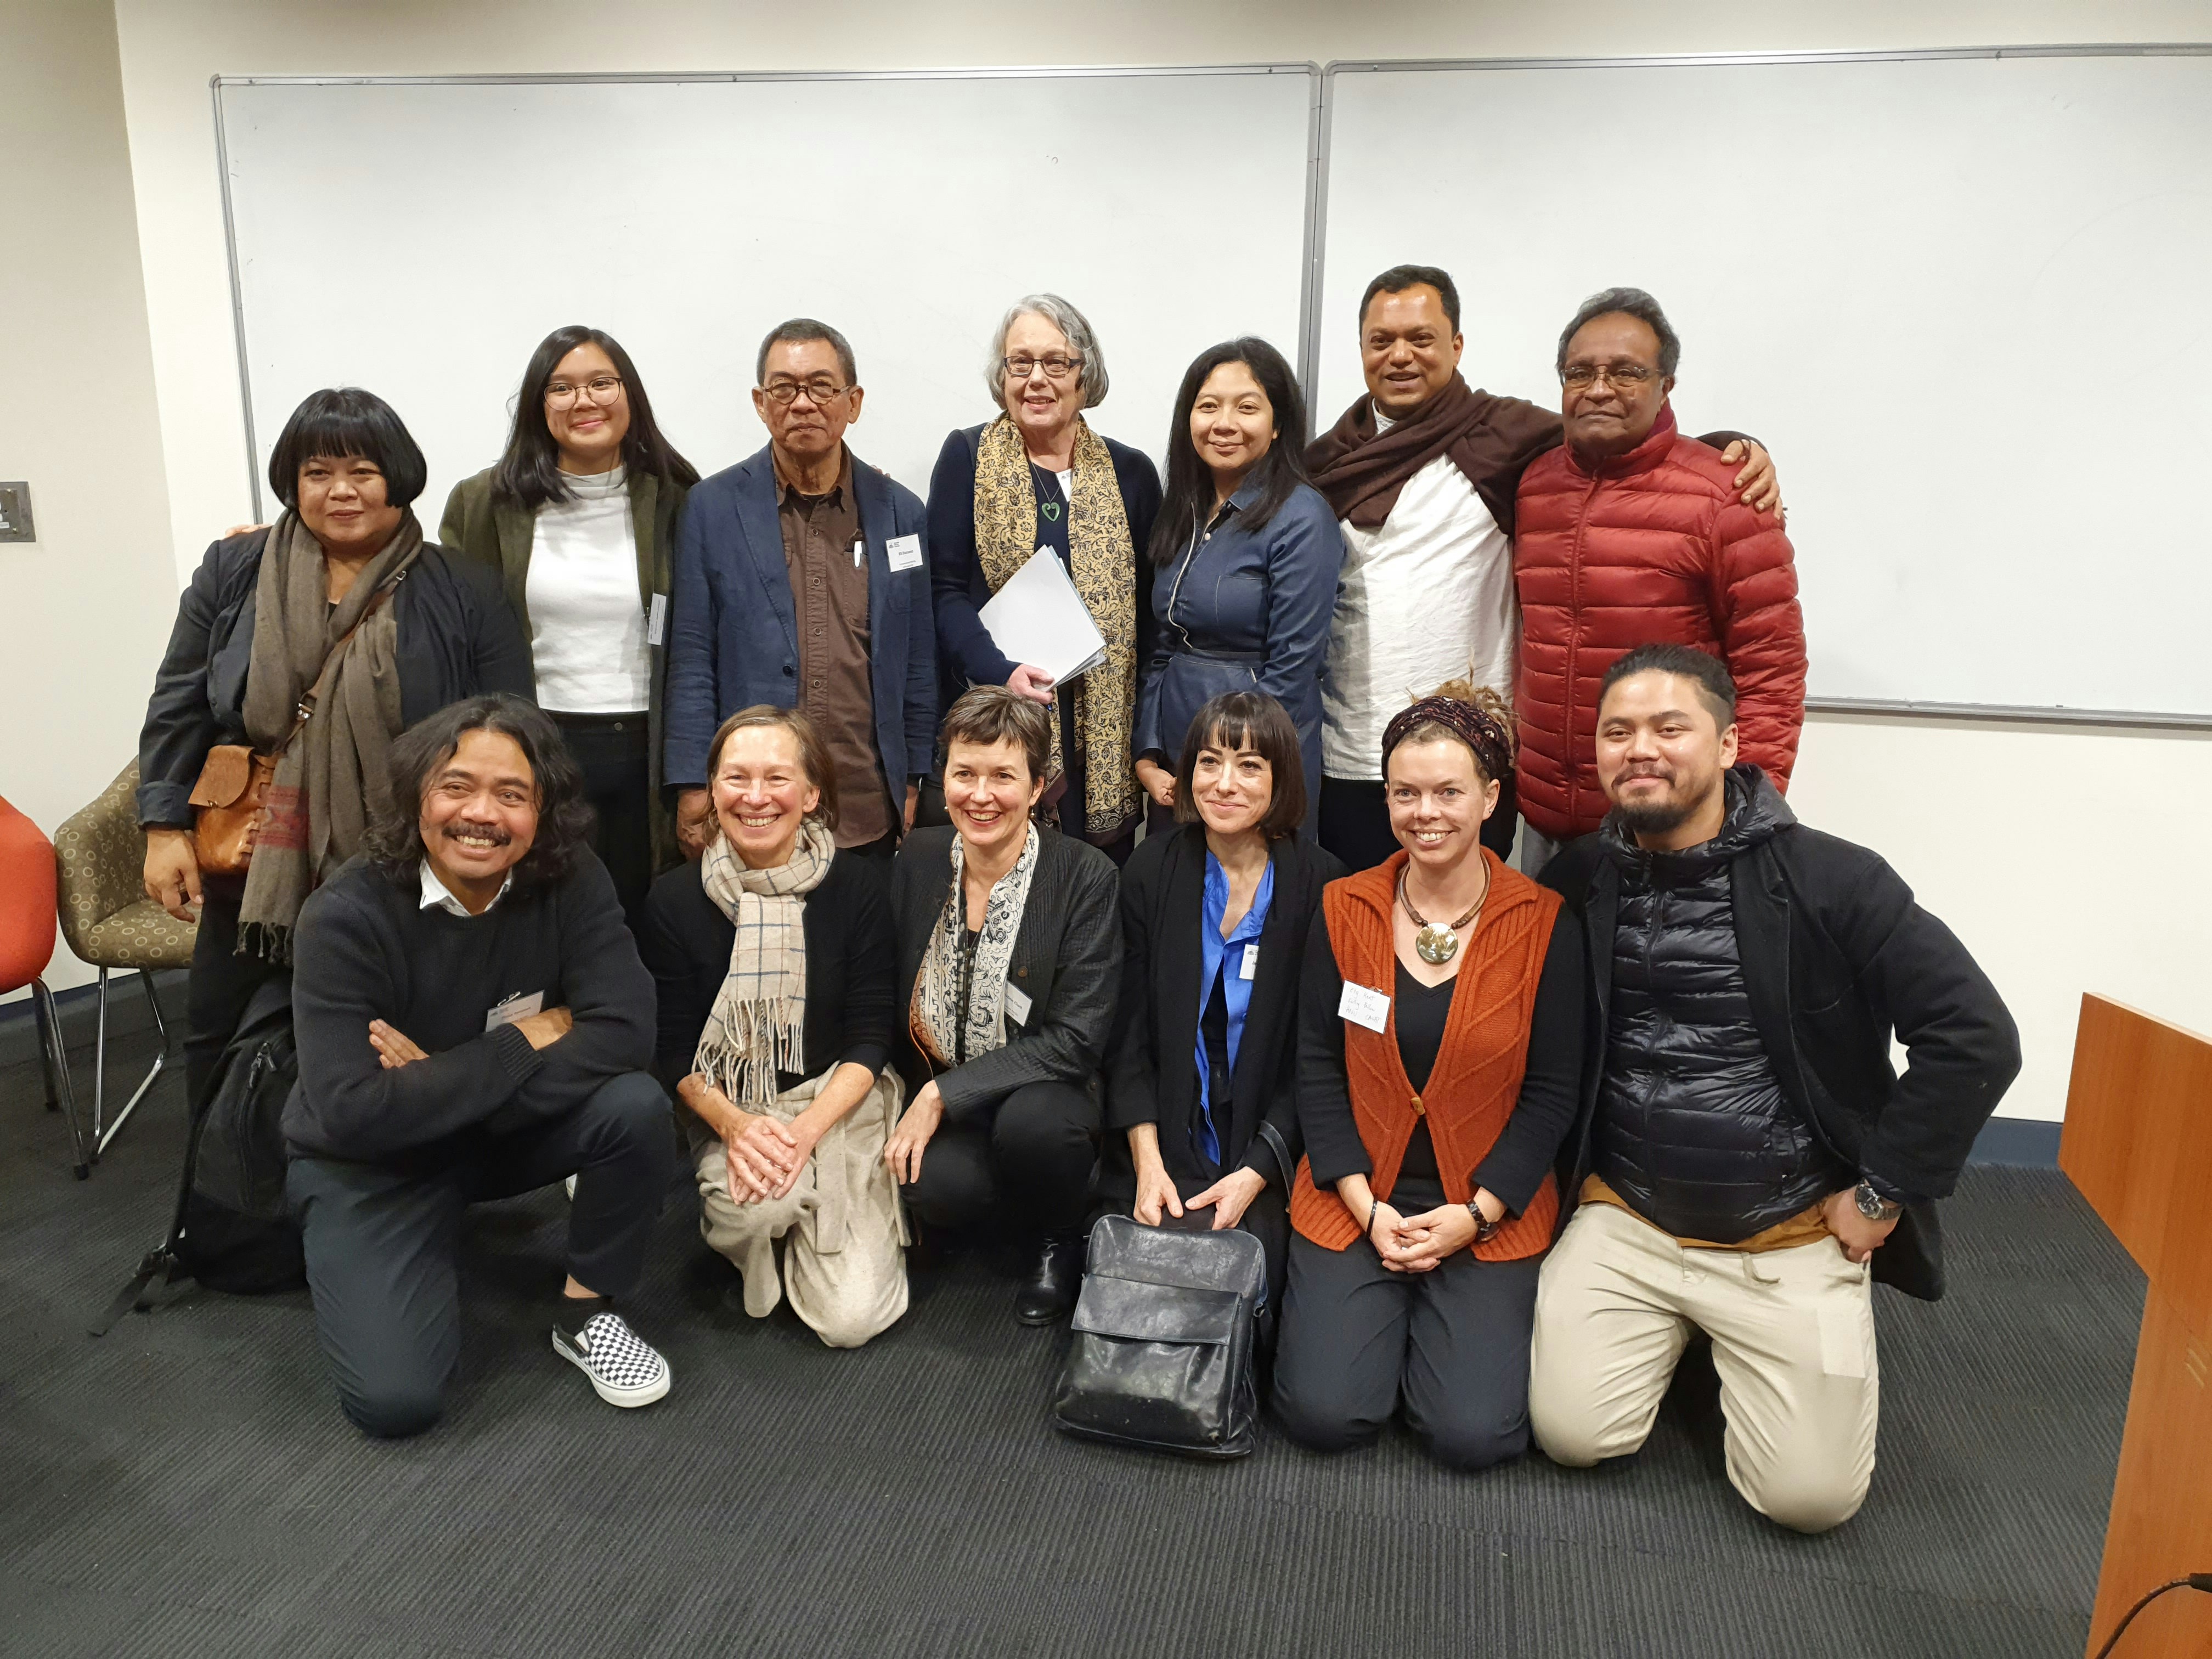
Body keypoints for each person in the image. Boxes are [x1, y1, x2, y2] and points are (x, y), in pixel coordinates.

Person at [1528, 645, 2019, 1532]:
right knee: (1573, 1434)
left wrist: (1882, 1191)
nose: (1640, 747)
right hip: (1629, 1216)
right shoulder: (1577, 879)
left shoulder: (1832, 880)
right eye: (1617, 730)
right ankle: (1679, 1337)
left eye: (1668, 726)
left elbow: (1975, 1036)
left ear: (1727, 744)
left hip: (1786, 1227)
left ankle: (1752, 1338)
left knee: (1808, 1501)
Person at [284, 695, 674, 1437]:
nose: (482, 814)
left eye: (513, 794)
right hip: (371, 1164)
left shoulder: (570, 878)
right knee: (396, 1405)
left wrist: (435, 1080)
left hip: (489, 1136)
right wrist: (524, 1043)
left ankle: (588, 1312)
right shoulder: (344, 916)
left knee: (634, 1107)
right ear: (418, 797)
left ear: (543, 814)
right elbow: (355, 1110)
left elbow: (626, 1030)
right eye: (456, 786)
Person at [1304, 264, 1779, 873]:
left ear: (1456, 346)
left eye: (1421, 339)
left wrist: (1733, 447)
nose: (1401, 356)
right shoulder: (1324, 464)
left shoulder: (1505, 437)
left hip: (1475, 758)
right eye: (1382, 341)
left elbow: (1623, 444)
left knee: (1475, 943)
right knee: (1360, 932)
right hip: (1348, 754)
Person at [138, 388, 532, 1109]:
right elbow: (179, 702)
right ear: (292, 482)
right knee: (218, 1034)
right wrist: (163, 829)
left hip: (405, 858)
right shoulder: (235, 571)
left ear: (399, 478)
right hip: (257, 854)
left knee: (389, 1034)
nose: (341, 491)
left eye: (363, 470)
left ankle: (388, 1195)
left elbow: (510, 727)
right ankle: (227, 1206)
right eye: (318, 472)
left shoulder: (465, 589)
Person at [1272, 686, 1584, 1470]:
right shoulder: (1345, 905)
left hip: (1485, 1205)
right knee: (1323, 1415)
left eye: (1449, 791)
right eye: (1405, 793)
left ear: (1490, 797)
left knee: (1471, 1437)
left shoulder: (1545, 921)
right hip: (1358, 1195)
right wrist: (1363, 1205)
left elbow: (1553, 1094)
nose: (1427, 812)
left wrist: (1475, 1217)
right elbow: (1317, 1063)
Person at [1514, 288, 1807, 870]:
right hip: (1546, 822)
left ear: (1665, 385)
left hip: (1673, 826)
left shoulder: (1727, 496)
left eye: (1626, 372)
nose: (1599, 388)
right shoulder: (1533, 485)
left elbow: (1771, 668)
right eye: (1580, 373)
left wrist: (1747, 808)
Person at [640, 706, 906, 1348]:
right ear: (712, 790)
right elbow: (672, 1050)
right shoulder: (673, 900)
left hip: (836, 1100)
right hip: (733, 1100)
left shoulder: (859, 888)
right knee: (766, 1209)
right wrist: (737, 1128)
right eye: (736, 778)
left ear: (812, 794)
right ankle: (770, 1230)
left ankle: (811, 1223)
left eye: (777, 779)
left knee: (851, 1323)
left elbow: (872, 1034)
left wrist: (801, 1136)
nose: (755, 798)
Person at [439, 324, 700, 925]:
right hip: (537, 748)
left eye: (601, 383)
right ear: (539, 405)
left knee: (644, 918)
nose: (584, 402)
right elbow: (451, 619)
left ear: (629, 395)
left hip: (650, 752)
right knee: (541, 917)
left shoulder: (679, 499)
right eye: (562, 388)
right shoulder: (485, 503)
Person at [1105, 691, 1344, 1323]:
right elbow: (1126, 1034)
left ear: (1282, 778)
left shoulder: (1323, 886)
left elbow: (1318, 1059)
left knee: (1248, 1307)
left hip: (1263, 1145)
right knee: (1137, 1294)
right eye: (1210, 762)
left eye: (1249, 766)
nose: (1225, 784)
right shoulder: (1150, 870)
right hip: (1165, 1131)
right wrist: (1148, 1161)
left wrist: (1260, 1168)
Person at [885, 686, 1120, 1324]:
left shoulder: (1084, 875)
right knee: (938, 1192)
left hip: (1047, 1090)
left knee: (1034, 1131)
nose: (980, 795)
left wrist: (941, 1096)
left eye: (1003, 777)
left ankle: (1059, 1237)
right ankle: (1001, 1198)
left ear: (1039, 786)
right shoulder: (920, 859)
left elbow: (1077, 1040)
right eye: (964, 774)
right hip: (946, 1080)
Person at [664, 318, 935, 864]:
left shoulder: (901, 512)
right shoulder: (711, 508)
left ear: (853, 402)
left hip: (865, 803)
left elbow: (917, 658)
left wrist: (912, 777)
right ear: (761, 403)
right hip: (752, 804)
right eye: (784, 389)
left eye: (821, 387)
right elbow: (692, 657)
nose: (803, 403)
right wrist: (693, 785)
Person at [927, 296, 1164, 862]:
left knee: (1092, 897)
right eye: (1020, 363)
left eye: (1057, 363)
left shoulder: (1131, 474)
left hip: (1103, 743)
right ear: (1001, 375)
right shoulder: (967, 457)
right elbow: (945, 592)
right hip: (1003, 726)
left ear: (1086, 376)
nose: (1037, 379)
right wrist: (1000, 672)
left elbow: (1152, 619)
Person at [1132, 340, 1340, 839]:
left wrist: (1227, 770)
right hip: (1182, 746)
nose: (1224, 423)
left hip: (1263, 750)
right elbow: (1163, 645)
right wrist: (1147, 753)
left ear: (1278, 425)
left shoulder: (1303, 517)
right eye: (1208, 406)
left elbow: (1293, 669)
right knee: (1180, 895)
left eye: (1247, 407)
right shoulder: (1183, 510)